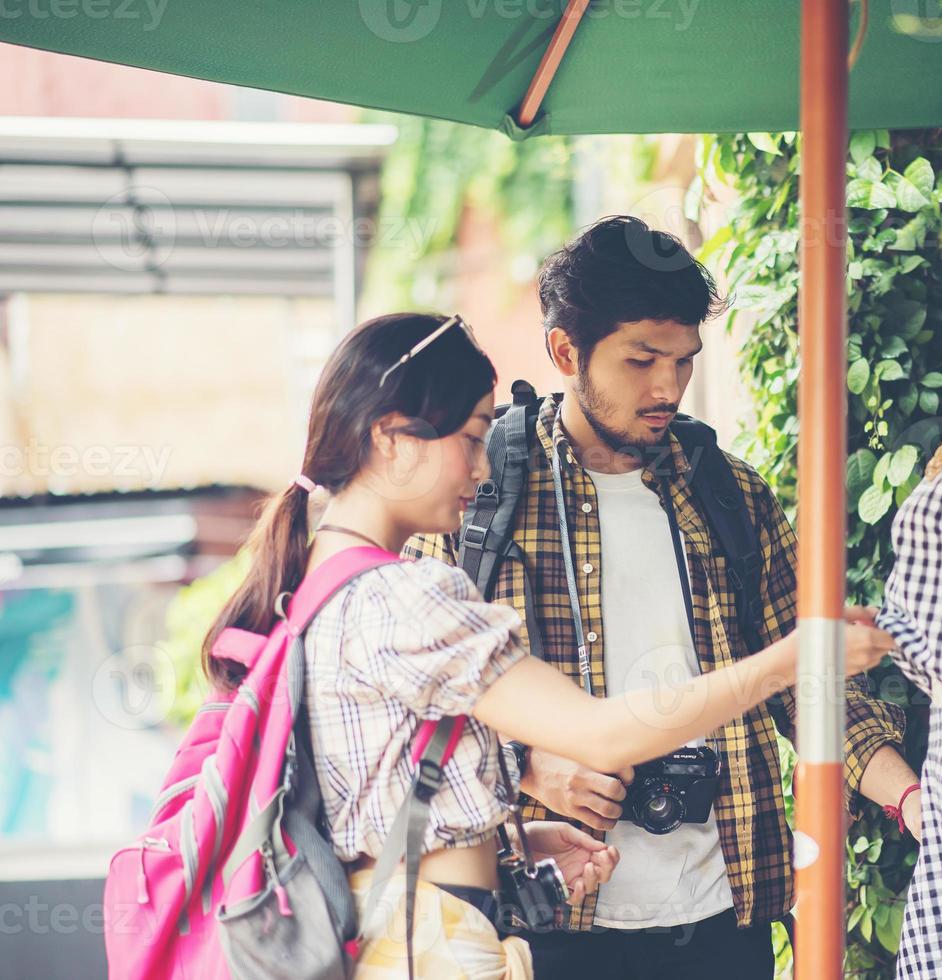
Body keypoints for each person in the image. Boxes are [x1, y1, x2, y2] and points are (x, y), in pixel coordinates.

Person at [201, 311, 896, 977]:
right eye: (472, 438)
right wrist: (792, 659)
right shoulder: (403, 598)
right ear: (391, 437)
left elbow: (375, 801)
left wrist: (504, 844)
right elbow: (599, 734)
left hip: (404, 928)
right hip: (437, 944)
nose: (480, 469)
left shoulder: (318, 582)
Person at [404, 216, 922, 980]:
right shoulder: (477, 500)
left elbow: (809, 686)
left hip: (721, 914)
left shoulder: (731, 494)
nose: (666, 388)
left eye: (683, 362)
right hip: (548, 915)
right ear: (564, 352)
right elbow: (413, 711)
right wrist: (528, 767)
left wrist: (911, 800)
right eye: (640, 360)